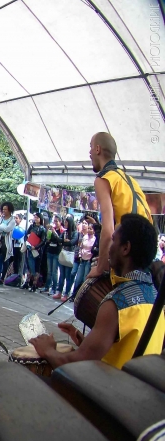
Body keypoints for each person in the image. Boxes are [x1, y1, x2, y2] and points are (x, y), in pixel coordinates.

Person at [31, 214, 165, 369]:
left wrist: (47, 350)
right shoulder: (156, 296)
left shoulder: (116, 303)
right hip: (139, 387)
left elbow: (74, 362)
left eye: (114, 240)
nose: (109, 247)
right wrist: (87, 342)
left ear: (125, 248)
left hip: (112, 390)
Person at [87, 132, 153, 280]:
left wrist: (100, 267)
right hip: (143, 261)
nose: (89, 153)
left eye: (90, 147)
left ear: (97, 149)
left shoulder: (103, 179)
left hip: (127, 259)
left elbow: (109, 229)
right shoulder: (130, 180)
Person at [23, 213, 45, 291]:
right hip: (29, 248)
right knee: (29, 266)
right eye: (35, 217)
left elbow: (43, 241)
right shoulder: (31, 226)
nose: (35, 219)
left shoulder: (42, 229)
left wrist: (35, 247)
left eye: (37, 217)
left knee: (36, 268)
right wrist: (27, 242)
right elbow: (26, 235)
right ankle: (27, 282)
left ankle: (34, 284)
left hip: (37, 251)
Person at [43, 216, 62, 294]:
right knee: (49, 271)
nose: (55, 223)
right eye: (54, 221)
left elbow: (60, 241)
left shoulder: (62, 231)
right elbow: (48, 240)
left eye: (57, 221)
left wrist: (54, 232)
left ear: (60, 222)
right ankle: (47, 286)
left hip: (56, 252)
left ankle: (54, 288)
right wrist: (48, 232)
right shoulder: (51, 229)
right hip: (50, 251)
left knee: (54, 271)